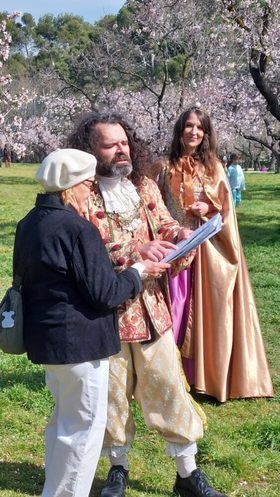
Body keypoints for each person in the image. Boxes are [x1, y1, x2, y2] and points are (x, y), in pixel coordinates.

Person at [67, 112, 228, 497]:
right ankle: (117, 470)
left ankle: (187, 474)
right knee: (110, 396)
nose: (121, 150)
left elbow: (164, 225)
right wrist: (134, 250)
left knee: (169, 387)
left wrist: (181, 234)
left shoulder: (143, 186)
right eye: (110, 144)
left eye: (124, 142)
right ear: (91, 150)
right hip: (104, 315)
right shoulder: (78, 194)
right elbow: (80, 251)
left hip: (151, 310)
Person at [13, 148, 169, 497]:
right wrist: (139, 272)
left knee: (62, 424)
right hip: (81, 344)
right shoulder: (77, 229)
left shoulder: (28, 223)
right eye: (88, 184)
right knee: (84, 431)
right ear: (70, 187)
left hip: (47, 342)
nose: (91, 192)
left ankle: (53, 490)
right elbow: (106, 293)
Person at [159, 106, 274, 403]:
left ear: (206, 133)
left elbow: (226, 211)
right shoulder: (165, 166)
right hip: (175, 250)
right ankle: (170, 378)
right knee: (176, 311)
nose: (194, 132)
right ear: (180, 130)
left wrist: (207, 208)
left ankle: (206, 377)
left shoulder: (215, 168)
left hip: (208, 251)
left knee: (208, 312)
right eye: (188, 126)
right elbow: (155, 206)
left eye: (200, 128)